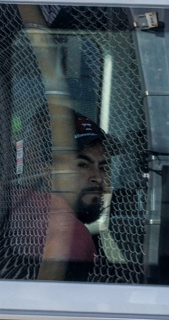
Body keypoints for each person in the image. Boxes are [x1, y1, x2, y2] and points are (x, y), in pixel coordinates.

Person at [10, 112, 112, 280]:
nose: (98, 178)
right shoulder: (69, 234)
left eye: (102, 167)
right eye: (83, 165)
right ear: (49, 173)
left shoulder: (9, 210)